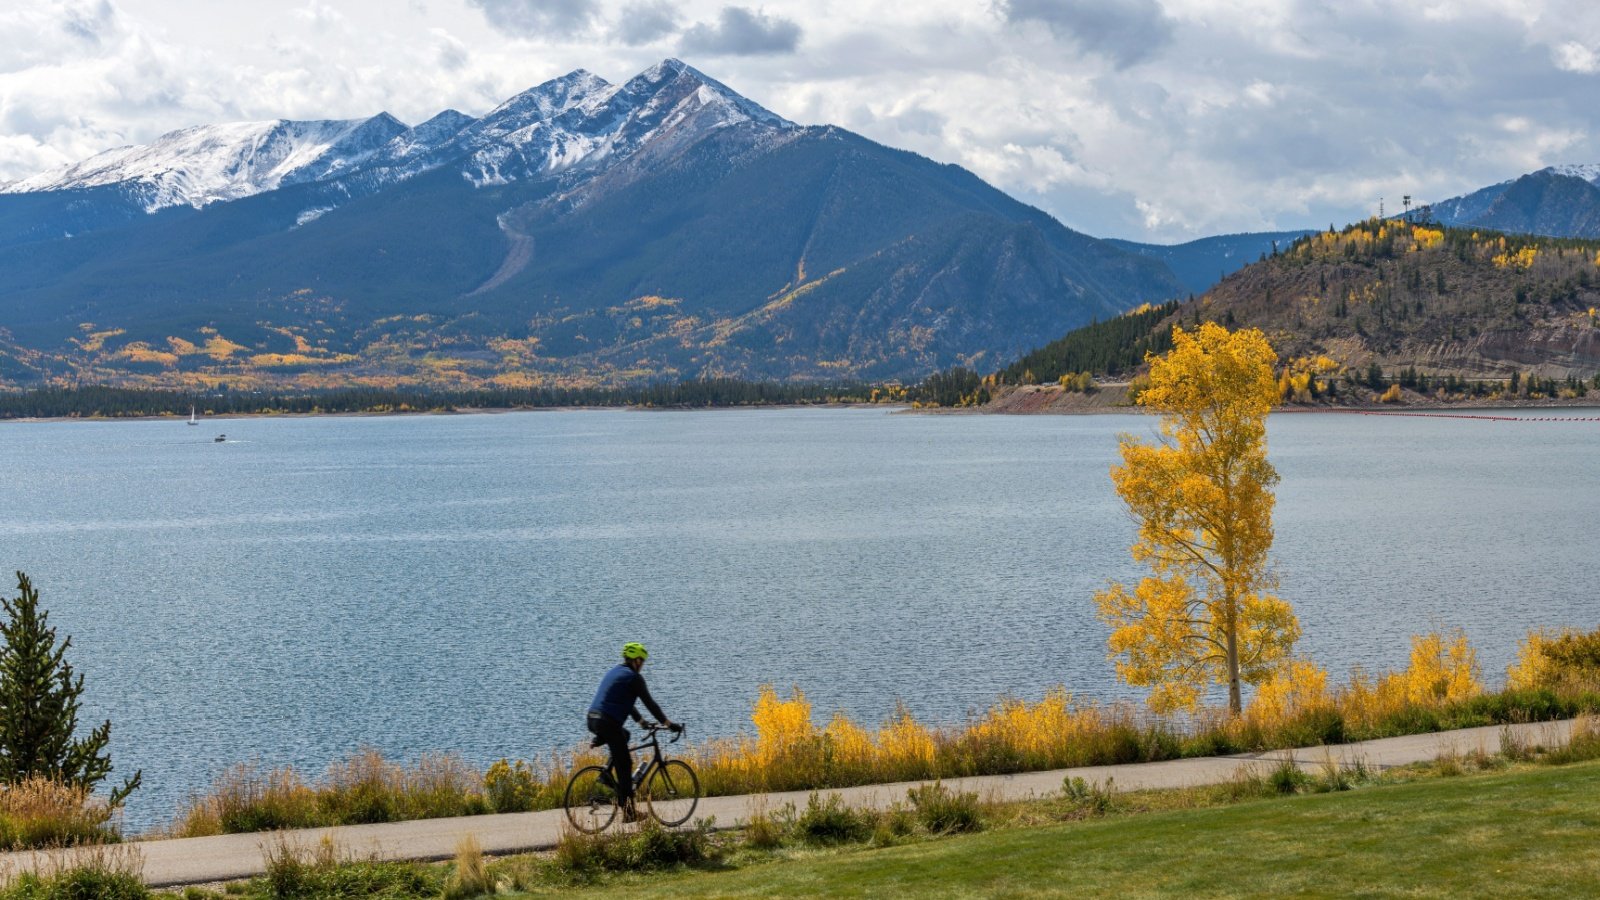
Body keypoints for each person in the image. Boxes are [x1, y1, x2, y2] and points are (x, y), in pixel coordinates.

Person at [587, 642, 680, 820]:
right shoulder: (634, 678)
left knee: (625, 736)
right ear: (636, 660)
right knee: (625, 764)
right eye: (642, 661)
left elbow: (623, 702)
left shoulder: (616, 672)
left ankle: (606, 774)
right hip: (608, 723)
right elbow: (650, 704)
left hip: (593, 719)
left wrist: (641, 722)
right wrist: (668, 724)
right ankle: (629, 813)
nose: (643, 665)